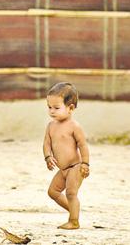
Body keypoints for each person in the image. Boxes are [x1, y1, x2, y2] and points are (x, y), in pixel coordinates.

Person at [43, 82, 90, 229]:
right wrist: (48, 157)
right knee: (53, 192)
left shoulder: (74, 126)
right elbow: (46, 144)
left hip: (75, 167)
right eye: (49, 107)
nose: (52, 111)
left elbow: (83, 145)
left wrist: (85, 164)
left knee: (71, 192)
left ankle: (74, 221)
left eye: (56, 108)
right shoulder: (51, 126)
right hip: (62, 169)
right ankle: (73, 211)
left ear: (70, 108)